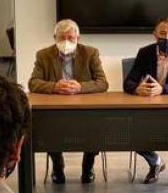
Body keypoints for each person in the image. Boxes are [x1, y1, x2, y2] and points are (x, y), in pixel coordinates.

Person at [28, 19, 109, 184]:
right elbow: (33, 83)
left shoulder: (90, 53)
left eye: (71, 38)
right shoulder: (43, 55)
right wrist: (54, 86)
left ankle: (88, 166)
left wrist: (80, 87)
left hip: (85, 109)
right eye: (61, 38)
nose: (66, 42)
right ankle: (57, 166)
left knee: (96, 125)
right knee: (49, 127)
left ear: (78, 38)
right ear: (55, 38)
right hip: (55, 109)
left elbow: (102, 83)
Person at [123, 17, 168, 188]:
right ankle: (155, 161)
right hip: (149, 106)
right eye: (163, 33)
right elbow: (128, 82)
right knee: (127, 129)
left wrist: (162, 89)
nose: (167, 37)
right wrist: (137, 89)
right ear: (155, 35)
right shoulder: (145, 52)